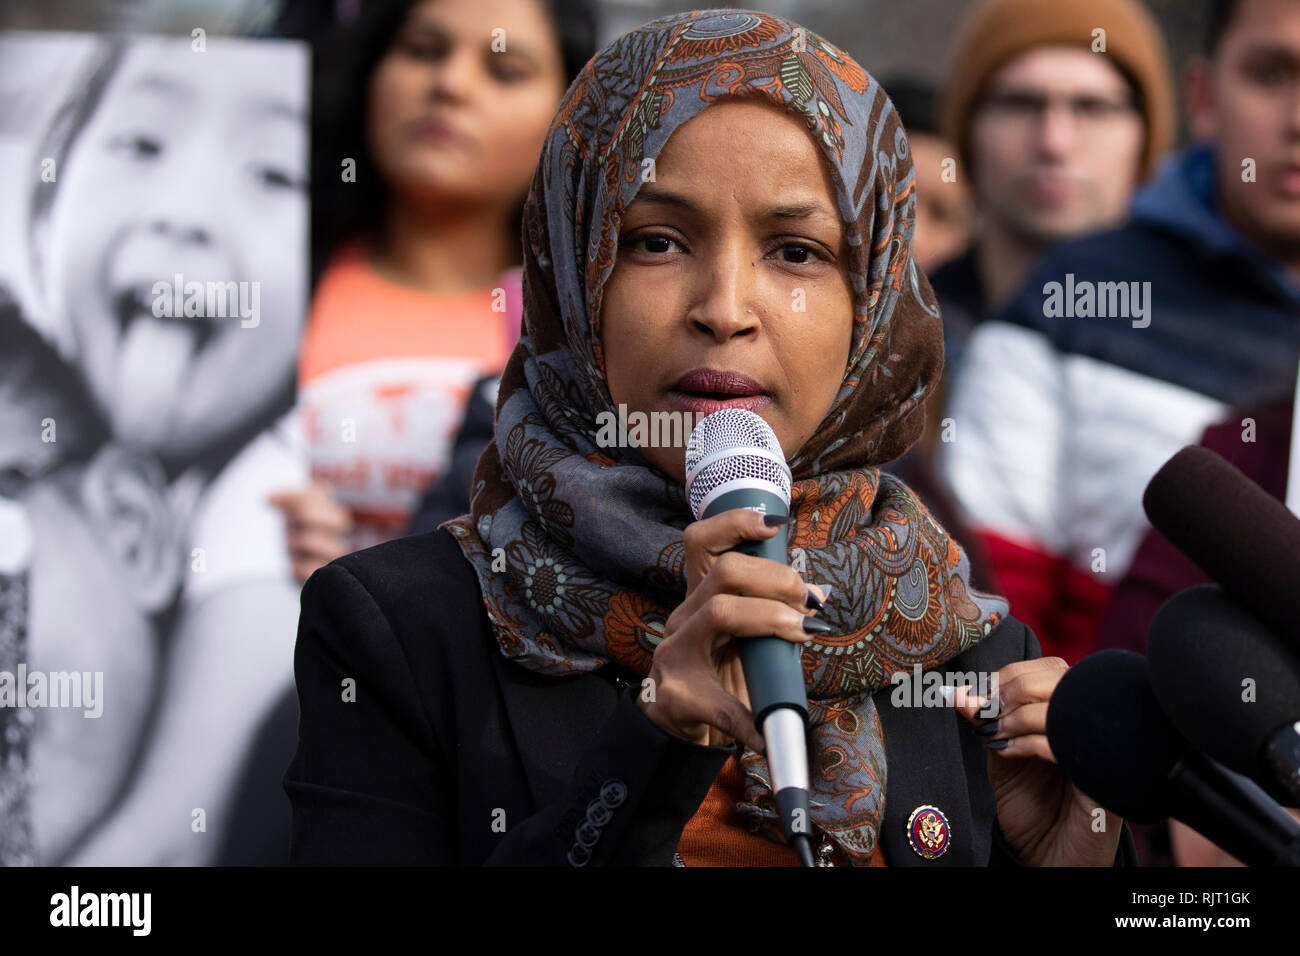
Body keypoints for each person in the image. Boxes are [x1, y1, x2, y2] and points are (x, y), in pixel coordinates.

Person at [286, 9, 1137, 867]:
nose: (725, 309)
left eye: (797, 253)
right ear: (574, 273)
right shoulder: (400, 627)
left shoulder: (971, 657)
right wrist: (651, 752)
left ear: (871, 301)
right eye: (657, 242)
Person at [940, 0, 1300, 664]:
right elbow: (991, 621)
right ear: (1204, 96)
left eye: (1093, 107)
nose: (1298, 118)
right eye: (1271, 73)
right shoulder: (1072, 296)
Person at [272, 0, 596, 583]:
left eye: (504, 70)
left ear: (568, 115)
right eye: (422, 51)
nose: (450, 84)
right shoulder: (261, 279)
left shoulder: (593, 338)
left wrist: (366, 591)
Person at [930, 0, 1174, 369]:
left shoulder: (1211, 344)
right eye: (1020, 104)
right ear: (968, 130)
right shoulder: (892, 345)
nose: (1054, 143)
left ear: (1144, 136)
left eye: (1093, 108)